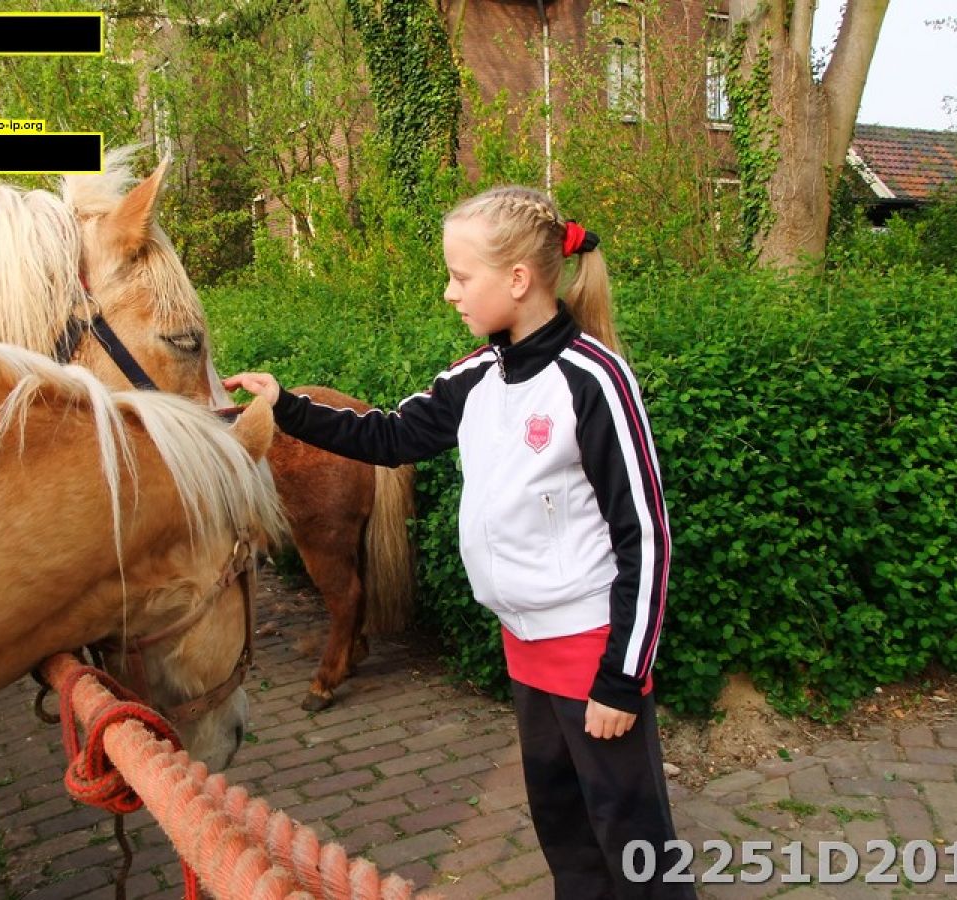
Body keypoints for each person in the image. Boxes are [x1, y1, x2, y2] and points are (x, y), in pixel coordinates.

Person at [224, 186, 695, 899]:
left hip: (594, 650)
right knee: (565, 829)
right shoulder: (475, 376)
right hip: (525, 647)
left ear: (518, 278)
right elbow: (388, 436)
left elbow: (646, 537)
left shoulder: (594, 380)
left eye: (460, 276)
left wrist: (622, 679)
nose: (449, 292)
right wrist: (285, 407)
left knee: (634, 840)